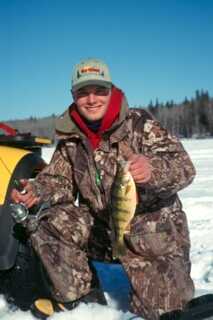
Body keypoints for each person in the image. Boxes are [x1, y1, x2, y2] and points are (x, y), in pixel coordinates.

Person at [11, 58, 196, 320]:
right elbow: (60, 181)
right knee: (47, 221)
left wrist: (153, 169)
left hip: (153, 236)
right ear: (73, 96)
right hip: (103, 231)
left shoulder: (140, 124)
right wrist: (36, 190)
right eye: (83, 93)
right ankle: (79, 296)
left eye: (99, 91)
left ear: (111, 91)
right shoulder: (72, 139)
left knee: (165, 313)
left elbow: (184, 167)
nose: (92, 99)